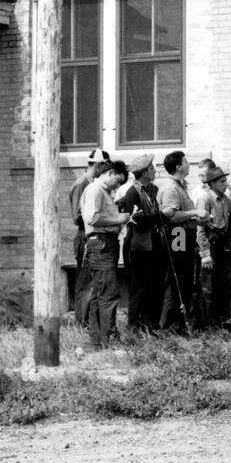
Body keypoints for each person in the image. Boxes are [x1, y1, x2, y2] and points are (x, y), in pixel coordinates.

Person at [78, 159, 130, 348]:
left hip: (103, 244)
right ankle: (109, 338)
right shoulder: (95, 190)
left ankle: (99, 340)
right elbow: (93, 218)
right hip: (101, 244)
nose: (118, 185)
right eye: (118, 180)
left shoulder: (102, 192)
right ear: (110, 173)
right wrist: (118, 219)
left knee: (100, 294)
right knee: (109, 293)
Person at [119, 153, 166, 333]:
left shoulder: (153, 190)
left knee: (154, 286)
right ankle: (134, 328)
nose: (155, 171)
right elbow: (134, 220)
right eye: (152, 168)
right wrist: (159, 217)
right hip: (138, 247)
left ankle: (151, 325)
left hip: (154, 245)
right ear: (145, 172)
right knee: (139, 287)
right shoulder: (133, 192)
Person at [157, 150, 201, 332]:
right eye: (186, 162)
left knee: (184, 279)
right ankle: (170, 325)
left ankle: (178, 323)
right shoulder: (171, 188)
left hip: (185, 234)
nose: (189, 164)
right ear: (178, 166)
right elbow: (172, 216)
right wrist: (195, 213)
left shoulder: (180, 186)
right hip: (178, 234)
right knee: (178, 276)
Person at [196, 165, 231, 330]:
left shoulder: (226, 201)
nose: (225, 184)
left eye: (225, 180)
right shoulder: (205, 199)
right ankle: (207, 327)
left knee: (229, 286)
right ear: (212, 183)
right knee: (208, 288)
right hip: (210, 245)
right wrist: (205, 254)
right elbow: (200, 228)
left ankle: (224, 324)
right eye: (222, 181)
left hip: (223, 248)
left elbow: (229, 228)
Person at [69, 148, 111, 310]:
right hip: (85, 236)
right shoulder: (82, 184)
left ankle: (90, 320)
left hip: (94, 237)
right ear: (99, 166)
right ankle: (82, 321)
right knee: (85, 282)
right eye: (106, 167)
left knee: (93, 282)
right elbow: (77, 216)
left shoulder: (96, 184)